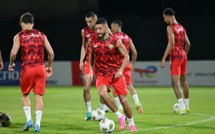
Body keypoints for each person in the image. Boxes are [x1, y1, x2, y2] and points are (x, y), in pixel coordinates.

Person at [88, 18, 137, 132]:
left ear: (106, 27)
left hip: (116, 73)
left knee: (124, 100)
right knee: (102, 94)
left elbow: (126, 57)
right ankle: (120, 116)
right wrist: (91, 70)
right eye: (96, 29)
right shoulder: (92, 40)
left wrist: (120, 70)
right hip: (101, 74)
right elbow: (91, 57)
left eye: (100, 28)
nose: (98, 31)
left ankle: (131, 123)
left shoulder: (116, 40)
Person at [8, 12, 54, 132]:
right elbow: (51, 53)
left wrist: (12, 63)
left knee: (25, 95)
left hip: (27, 68)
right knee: (38, 97)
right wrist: (49, 66)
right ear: (32, 24)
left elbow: (13, 53)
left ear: (22, 23)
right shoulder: (41, 35)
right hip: (40, 68)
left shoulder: (19, 36)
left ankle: (29, 120)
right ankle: (38, 124)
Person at [160, 8, 191, 114]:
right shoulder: (182, 27)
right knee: (184, 81)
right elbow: (188, 44)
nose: (164, 20)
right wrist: (184, 54)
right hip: (183, 55)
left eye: (165, 18)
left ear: (168, 16)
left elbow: (171, 43)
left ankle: (181, 107)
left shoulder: (170, 27)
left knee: (175, 83)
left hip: (175, 56)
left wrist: (164, 58)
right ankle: (187, 106)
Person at [80, 11, 109, 121]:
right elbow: (83, 46)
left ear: (96, 20)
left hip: (102, 63)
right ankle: (88, 111)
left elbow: (112, 42)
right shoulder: (84, 31)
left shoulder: (104, 30)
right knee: (86, 87)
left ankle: (101, 112)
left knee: (103, 90)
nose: (88, 24)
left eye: (90, 21)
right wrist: (81, 60)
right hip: (89, 61)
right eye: (87, 22)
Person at [111, 20, 143, 114]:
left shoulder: (113, 37)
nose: (111, 28)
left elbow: (109, 48)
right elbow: (135, 53)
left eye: (112, 27)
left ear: (116, 27)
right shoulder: (127, 37)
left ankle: (120, 108)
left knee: (115, 87)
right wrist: (132, 64)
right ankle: (137, 103)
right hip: (127, 64)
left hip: (117, 65)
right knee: (129, 85)